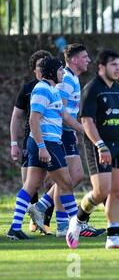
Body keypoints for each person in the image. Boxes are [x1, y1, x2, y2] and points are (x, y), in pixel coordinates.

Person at [29, 44, 105, 238]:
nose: (89, 60)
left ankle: (43, 207)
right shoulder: (66, 80)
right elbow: (60, 113)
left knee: (72, 178)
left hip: (66, 133)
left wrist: (80, 130)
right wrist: (81, 130)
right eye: (85, 57)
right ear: (73, 60)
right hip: (60, 134)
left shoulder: (72, 78)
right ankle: (67, 223)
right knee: (68, 180)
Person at [7, 57, 84, 240]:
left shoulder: (53, 90)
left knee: (31, 185)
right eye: (60, 70)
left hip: (46, 143)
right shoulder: (42, 89)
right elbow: (33, 120)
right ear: (51, 72)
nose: (63, 73)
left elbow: (65, 116)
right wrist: (42, 147)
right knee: (65, 183)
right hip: (47, 143)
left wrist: (84, 130)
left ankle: (15, 228)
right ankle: (75, 226)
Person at [65, 49, 119, 249]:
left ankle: (113, 236)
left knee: (117, 191)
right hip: (98, 146)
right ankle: (78, 220)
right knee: (101, 192)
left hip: (118, 146)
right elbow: (86, 121)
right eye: (114, 65)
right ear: (101, 67)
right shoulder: (91, 89)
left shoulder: (118, 91)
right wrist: (100, 145)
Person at [10, 50, 54, 235]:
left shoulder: (56, 88)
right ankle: (30, 221)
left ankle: (46, 221)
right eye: (39, 66)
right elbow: (17, 117)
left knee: (54, 182)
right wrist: (14, 143)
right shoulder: (28, 89)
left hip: (53, 140)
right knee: (30, 183)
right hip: (32, 142)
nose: (42, 69)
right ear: (34, 69)